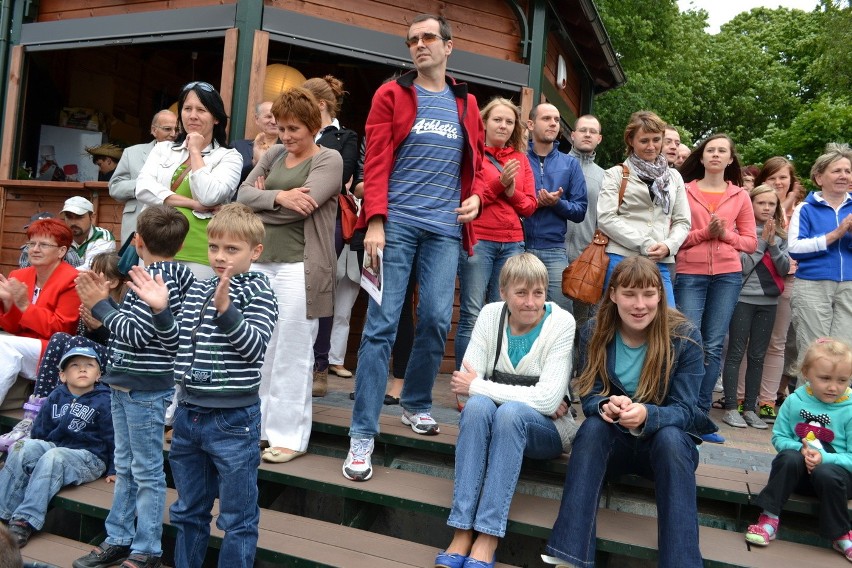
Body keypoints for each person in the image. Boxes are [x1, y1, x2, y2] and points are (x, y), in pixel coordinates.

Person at [344, 13, 485, 481]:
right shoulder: (392, 94)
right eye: (412, 40)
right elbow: (377, 160)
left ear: (449, 46)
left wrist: (478, 195)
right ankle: (362, 434)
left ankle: (417, 403)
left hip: (444, 229)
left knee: (436, 319)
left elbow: (478, 163)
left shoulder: (466, 102)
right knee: (381, 327)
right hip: (396, 226)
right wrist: (376, 222)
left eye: (428, 38)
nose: (419, 45)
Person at [127, 202, 277, 568]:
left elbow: (254, 347)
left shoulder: (259, 291)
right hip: (189, 416)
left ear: (255, 251)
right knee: (188, 512)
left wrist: (227, 312)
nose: (220, 256)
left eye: (232, 249)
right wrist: (161, 311)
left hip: (233, 421)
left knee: (237, 519)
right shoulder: (197, 288)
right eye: (214, 247)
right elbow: (175, 345)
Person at [543, 256, 704, 568]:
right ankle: (570, 558)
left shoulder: (684, 336)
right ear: (613, 294)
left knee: (672, 437)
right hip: (612, 448)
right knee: (591, 429)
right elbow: (588, 393)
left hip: (663, 453)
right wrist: (605, 405)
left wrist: (647, 415)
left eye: (648, 294)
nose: (639, 304)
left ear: (661, 294)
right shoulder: (594, 331)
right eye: (629, 294)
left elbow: (686, 411)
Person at [72, 205, 194, 568]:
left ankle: (147, 549)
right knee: (125, 465)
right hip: (125, 383)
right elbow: (135, 329)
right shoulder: (158, 272)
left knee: (146, 470)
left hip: (144, 388)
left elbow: (137, 334)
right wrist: (107, 308)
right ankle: (119, 537)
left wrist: (102, 307)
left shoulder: (155, 278)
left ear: (138, 241)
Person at [438, 253, 577, 568]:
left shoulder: (561, 322)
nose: (531, 302)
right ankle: (461, 531)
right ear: (503, 293)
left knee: (508, 412)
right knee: (476, 408)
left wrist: (481, 385)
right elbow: (463, 387)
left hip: (550, 431)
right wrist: (529, 394)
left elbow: (546, 401)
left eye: (538, 293)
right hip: (499, 423)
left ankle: (487, 535)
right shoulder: (490, 316)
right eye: (521, 293)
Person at [237, 87, 342, 463]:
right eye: (281, 128)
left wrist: (264, 202)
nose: (285, 136)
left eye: (294, 128)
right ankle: (260, 430)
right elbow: (242, 196)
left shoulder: (330, 159)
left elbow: (305, 207)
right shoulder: (277, 153)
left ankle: (290, 436)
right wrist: (280, 197)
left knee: (294, 352)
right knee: (261, 350)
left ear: (313, 125)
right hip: (263, 263)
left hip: (302, 266)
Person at [675, 133, 757, 443]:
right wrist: (703, 234)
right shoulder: (684, 191)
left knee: (712, 344)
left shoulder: (740, 196)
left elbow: (749, 242)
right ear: (702, 155)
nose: (716, 155)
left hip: (727, 275)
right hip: (690, 273)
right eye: (711, 149)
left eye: (722, 150)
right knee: (688, 341)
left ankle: (700, 414)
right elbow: (676, 237)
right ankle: (682, 408)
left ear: (730, 159)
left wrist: (724, 236)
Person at [0, 252, 124, 453]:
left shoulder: (122, 305)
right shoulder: (88, 303)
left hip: (111, 364)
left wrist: (100, 328)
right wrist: (90, 328)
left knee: (74, 340)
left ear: (113, 281)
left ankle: (58, 407)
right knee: (59, 338)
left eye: (96, 274)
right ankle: (38, 409)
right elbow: (79, 339)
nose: (89, 277)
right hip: (86, 359)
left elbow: (121, 344)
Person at [744, 338, 852, 562]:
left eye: (842, 380)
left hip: (838, 480)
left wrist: (825, 458)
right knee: (788, 458)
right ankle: (769, 518)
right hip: (800, 477)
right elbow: (779, 437)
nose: (833, 387)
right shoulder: (794, 401)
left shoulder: (849, 409)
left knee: (827, 471)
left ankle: (840, 533)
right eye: (825, 379)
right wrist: (800, 449)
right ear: (806, 373)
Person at [0, 346, 114, 548]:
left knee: (54, 456)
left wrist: (115, 469)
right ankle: (3, 514)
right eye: (75, 365)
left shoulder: (105, 400)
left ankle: (25, 520)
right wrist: (33, 450)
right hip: (55, 448)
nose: (82, 369)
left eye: (89, 365)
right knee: (23, 447)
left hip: (89, 457)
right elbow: (40, 432)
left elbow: (114, 438)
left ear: (98, 375)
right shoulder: (56, 396)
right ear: (62, 375)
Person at [455, 97, 536, 368]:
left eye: (509, 122)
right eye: (497, 120)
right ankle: (466, 382)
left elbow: (529, 206)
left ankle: (495, 377)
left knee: (504, 314)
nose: (503, 126)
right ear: (484, 122)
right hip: (479, 240)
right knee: (472, 313)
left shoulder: (521, 159)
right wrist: (501, 185)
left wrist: (511, 191)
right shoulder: (472, 155)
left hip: (513, 243)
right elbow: (468, 199)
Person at [135, 80, 243, 279]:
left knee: (194, 309)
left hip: (200, 250)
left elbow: (209, 196)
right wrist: (194, 204)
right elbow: (142, 189)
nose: (192, 115)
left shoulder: (229, 157)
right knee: (151, 306)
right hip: (155, 245)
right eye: (187, 108)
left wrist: (194, 150)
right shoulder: (162, 149)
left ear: (216, 118)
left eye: (201, 110)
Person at [302, 74, 359, 397]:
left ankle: (319, 365)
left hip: (329, 220)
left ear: (319, 105)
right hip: (293, 217)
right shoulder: (296, 134)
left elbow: (343, 174)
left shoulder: (345, 136)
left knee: (321, 287)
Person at [599, 111, 690, 305]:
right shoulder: (615, 174)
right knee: (619, 320)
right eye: (644, 141)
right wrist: (644, 243)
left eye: (656, 140)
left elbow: (682, 221)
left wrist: (669, 245)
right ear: (631, 140)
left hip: (660, 260)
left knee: (666, 321)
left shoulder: (674, 177)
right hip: (620, 257)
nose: (651, 146)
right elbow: (606, 218)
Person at [721, 184, 790, 429]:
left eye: (772, 204)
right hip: (743, 300)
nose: (767, 208)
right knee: (736, 353)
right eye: (761, 203)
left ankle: (750, 408)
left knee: (758, 356)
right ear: (750, 205)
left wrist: (773, 243)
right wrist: (761, 242)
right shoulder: (740, 231)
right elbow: (742, 266)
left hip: (769, 302)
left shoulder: (781, 235)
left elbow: (784, 269)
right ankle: (731, 406)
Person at [0, 219, 79, 406]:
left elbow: (61, 330)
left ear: (62, 251)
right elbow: (12, 327)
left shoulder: (72, 279)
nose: (35, 249)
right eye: (31, 243)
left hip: (53, 350)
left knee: (2, 344)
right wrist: (8, 302)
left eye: (43, 244)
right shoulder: (18, 275)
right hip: (19, 346)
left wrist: (25, 306)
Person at [789, 143, 852, 357]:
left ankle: (842, 392)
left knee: (845, 355)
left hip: (849, 287)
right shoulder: (804, 208)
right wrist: (836, 233)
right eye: (836, 171)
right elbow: (795, 247)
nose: (844, 175)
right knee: (814, 354)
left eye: (848, 171)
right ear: (819, 177)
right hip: (812, 286)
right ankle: (806, 392)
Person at [523, 103, 587, 313]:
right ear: (531, 124)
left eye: (557, 120)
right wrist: (534, 202)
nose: (553, 123)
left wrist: (556, 203)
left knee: (561, 315)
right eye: (547, 118)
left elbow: (580, 211)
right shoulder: (518, 158)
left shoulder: (570, 164)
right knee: (517, 310)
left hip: (554, 249)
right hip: (518, 247)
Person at [109, 110, 179, 243]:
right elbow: (114, 187)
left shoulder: (185, 153)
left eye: (177, 129)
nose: (173, 134)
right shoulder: (132, 153)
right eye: (167, 129)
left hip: (171, 223)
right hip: (137, 223)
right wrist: (144, 185)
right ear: (153, 130)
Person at [565, 114, 604, 327]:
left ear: (599, 138)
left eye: (593, 131)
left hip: (586, 260)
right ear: (572, 135)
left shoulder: (605, 177)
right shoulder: (556, 164)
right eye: (583, 130)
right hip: (553, 254)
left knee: (581, 324)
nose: (587, 134)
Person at [60, 196, 117, 271]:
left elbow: (91, 269)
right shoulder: (58, 236)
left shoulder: (103, 236)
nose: (73, 222)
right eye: (69, 217)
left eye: (79, 217)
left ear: (92, 217)